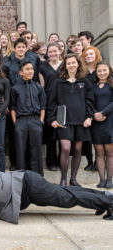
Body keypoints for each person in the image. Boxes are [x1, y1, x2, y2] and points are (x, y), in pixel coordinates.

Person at [0, 163, 113, 224]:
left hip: (28, 186)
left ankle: (108, 201)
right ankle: (102, 199)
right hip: (23, 188)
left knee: (66, 198)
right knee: (67, 193)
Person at [48, 54, 95, 187]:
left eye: (73, 63)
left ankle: (73, 179)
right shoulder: (59, 82)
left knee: (78, 150)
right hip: (64, 121)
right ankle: (63, 178)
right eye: (68, 63)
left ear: (78, 64)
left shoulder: (85, 82)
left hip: (81, 121)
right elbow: (51, 102)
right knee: (66, 148)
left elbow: (90, 101)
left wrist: (89, 117)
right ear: (65, 66)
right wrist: (52, 119)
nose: (71, 65)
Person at [11, 61, 46, 176]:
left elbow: (43, 107)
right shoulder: (15, 88)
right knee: (21, 150)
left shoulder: (39, 87)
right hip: (21, 121)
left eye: (31, 69)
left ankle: (37, 176)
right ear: (21, 72)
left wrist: (40, 121)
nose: (30, 71)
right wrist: (16, 123)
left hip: (35, 120)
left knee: (36, 150)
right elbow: (13, 108)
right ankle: (21, 176)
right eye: (27, 69)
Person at [39, 43, 62, 171]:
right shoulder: (42, 67)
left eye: (55, 51)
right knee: (50, 133)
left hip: (64, 100)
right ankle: (51, 161)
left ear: (59, 51)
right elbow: (42, 86)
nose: (53, 54)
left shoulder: (65, 64)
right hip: (49, 101)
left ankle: (61, 159)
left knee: (63, 131)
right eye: (50, 51)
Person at [91, 61, 113, 189]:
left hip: (109, 119)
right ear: (96, 72)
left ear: (109, 71)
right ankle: (102, 179)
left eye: (104, 70)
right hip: (96, 121)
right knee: (99, 152)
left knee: (109, 153)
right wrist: (95, 114)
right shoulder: (93, 86)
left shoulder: (111, 85)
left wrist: (104, 113)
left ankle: (110, 179)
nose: (102, 73)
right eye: (99, 71)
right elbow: (90, 101)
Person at [81, 46, 103, 172]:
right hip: (86, 106)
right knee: (87, 137)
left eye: (91, 54)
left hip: (99, 105)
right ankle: (89, 161)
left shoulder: (100, 70)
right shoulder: (82, 73)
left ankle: (97, 161)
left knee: (97, 136)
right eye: (86, 55)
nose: (88, 56)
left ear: (96, 55)